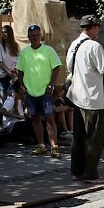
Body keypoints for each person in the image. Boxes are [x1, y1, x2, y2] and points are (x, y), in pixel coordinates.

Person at [66, 15, 104, 183]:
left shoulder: (74, 45)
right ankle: (90, 172)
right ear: (93, 27)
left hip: (77, 96)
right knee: (94, 138)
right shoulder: (94, 46)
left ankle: (76, 171)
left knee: (78, 137)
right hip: (92, 99)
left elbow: (69, 67)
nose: (99, 31)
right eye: (98, 27)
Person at [16, 24, 62, 158]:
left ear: (40, 35)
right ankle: (41, 145)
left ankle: (54, 146)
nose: (35, 38)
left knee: (49, 117)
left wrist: (51, 85)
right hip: (30, 91)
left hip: (45, 91)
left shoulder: (48, 50)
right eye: (32, 36)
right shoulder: (25, 53)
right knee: (35, 118)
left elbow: (57, 67)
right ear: (28, 37)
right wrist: (22, 85)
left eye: (37, 35)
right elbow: (19, 70)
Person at [0, 25, 20, 126]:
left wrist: (15, 72)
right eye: (2, 32)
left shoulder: (15, 46)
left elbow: (18, 61)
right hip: (2, 75)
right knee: (1, 97)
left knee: (15, 96)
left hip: (13, 74)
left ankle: (12, 118)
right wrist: (8, 72)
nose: (4, 34)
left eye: (6, 32)